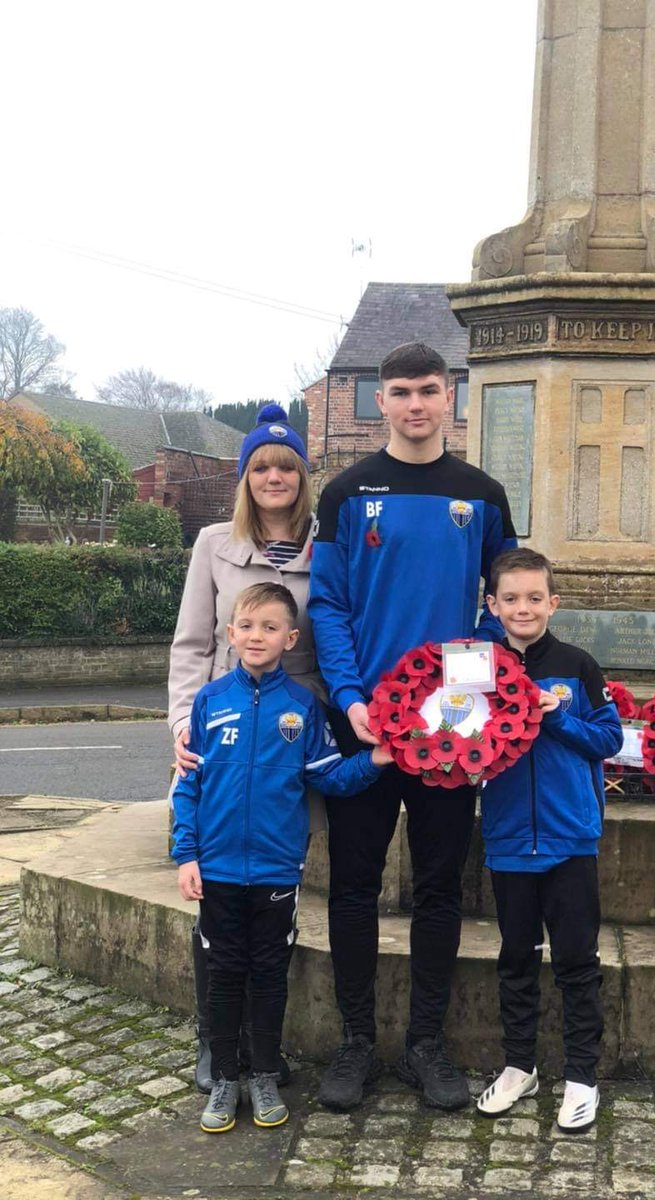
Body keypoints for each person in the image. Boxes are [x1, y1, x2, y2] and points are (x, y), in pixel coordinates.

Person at [309, 342, 516, 1111]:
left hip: (449, 733)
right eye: (400, 391)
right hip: (362, 729)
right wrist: (352, 697)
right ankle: (356, 1041)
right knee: (355, 888)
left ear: (450, 395)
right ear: (381, 399)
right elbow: (326, 603)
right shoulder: (347, 492)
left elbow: (499, 607)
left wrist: (463, 701)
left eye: (429, 389)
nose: (415, 404)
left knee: (438, 889)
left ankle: (424, 1045)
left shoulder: (484, 495)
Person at [171, 582, 391, 1134]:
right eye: (247, 626)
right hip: (217, 869)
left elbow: (330, 777)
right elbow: (187, 787)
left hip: (275, 870)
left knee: (270, 974)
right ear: (230, 632)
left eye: (270, 628)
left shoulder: (302, 708)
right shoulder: (209, 700)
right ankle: (225, 1077)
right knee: (223, 975)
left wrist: (379, 759)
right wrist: (186, 855)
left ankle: (265, 1072)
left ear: (290, 638)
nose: (257, 636)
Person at [168, 402, 321, 1093]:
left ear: (302, 475)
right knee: (219, 908)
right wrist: (181, 728)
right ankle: (213, 1043)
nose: (273, 476)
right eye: (260, 465)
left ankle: (264, 1050)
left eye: (286, 465)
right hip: (221, 734)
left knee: (272, 901)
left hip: (295, 732)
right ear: (245, 476)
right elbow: (193, 643)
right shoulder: (212, 544)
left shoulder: (328, 547)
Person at [474, 547, 622, 1133]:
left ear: (553, 603)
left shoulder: (578, 665)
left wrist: (554, 713)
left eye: (535, 597)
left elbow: (608, 739)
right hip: (508, 837)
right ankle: (519, 1065)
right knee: (515, 957)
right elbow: (456, 732)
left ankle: (582, 1075)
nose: (523, 607)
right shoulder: (476, 665)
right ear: (492, 605)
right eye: (510, 598)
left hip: (569, 838)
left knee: (576, 961)